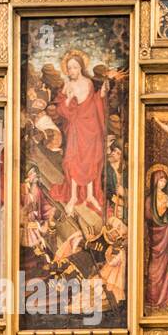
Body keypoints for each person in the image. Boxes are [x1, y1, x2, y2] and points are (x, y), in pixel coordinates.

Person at [53, 51, 110, 215]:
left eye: (75, 67)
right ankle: (72, 197)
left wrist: (103, 92)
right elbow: (61, 110)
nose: (72, 71)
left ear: (81, 68)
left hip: (91, 127)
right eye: (69, 68)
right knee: (73, 160)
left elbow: (95, 102)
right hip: (76, 127)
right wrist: (69, 99)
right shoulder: (67, 85)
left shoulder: (89, 83)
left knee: (90, 160)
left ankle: (91, 195)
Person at [145, 168, 168, 311]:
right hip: (157, 238)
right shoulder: (149, 200)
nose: (163, 182)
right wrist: (163, 219)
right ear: (154, 181)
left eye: (164, 179)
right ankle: (154, 298)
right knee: (155, 269)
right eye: (160, 179)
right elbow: (149, 217)